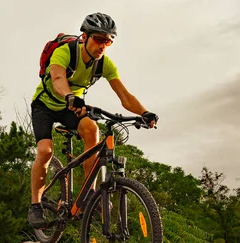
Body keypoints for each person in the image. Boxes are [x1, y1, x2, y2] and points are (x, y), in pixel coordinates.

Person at [28, 12, 159, 228]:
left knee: (92, 130)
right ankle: (35, 206)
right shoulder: (65, 52)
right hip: (46, 105)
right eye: (98, 39)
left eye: (108, 41)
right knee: (45, 151)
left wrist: (144, 112)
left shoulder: (105, 64)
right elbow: (58, 78)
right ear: (85, 37)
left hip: (73, 107)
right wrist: (70, 96)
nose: (102, 45)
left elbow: (124, 96)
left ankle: (89, 194)